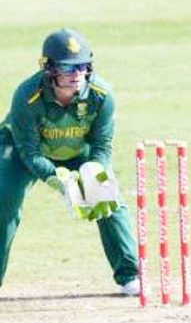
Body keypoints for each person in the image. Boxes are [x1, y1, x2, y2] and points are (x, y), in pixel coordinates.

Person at [0, 28, 140, 296]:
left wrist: (95, 169)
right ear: (49, 69)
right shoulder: (27, 96)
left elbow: (102, 146)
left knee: (108, 198)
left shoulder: (101, 95)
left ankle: (130, 275)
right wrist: (59, 181)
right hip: (17, 150)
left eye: (82, 67)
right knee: (4, 201)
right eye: (67, 68)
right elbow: (29, 152)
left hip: (78, 149)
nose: (76, 74)